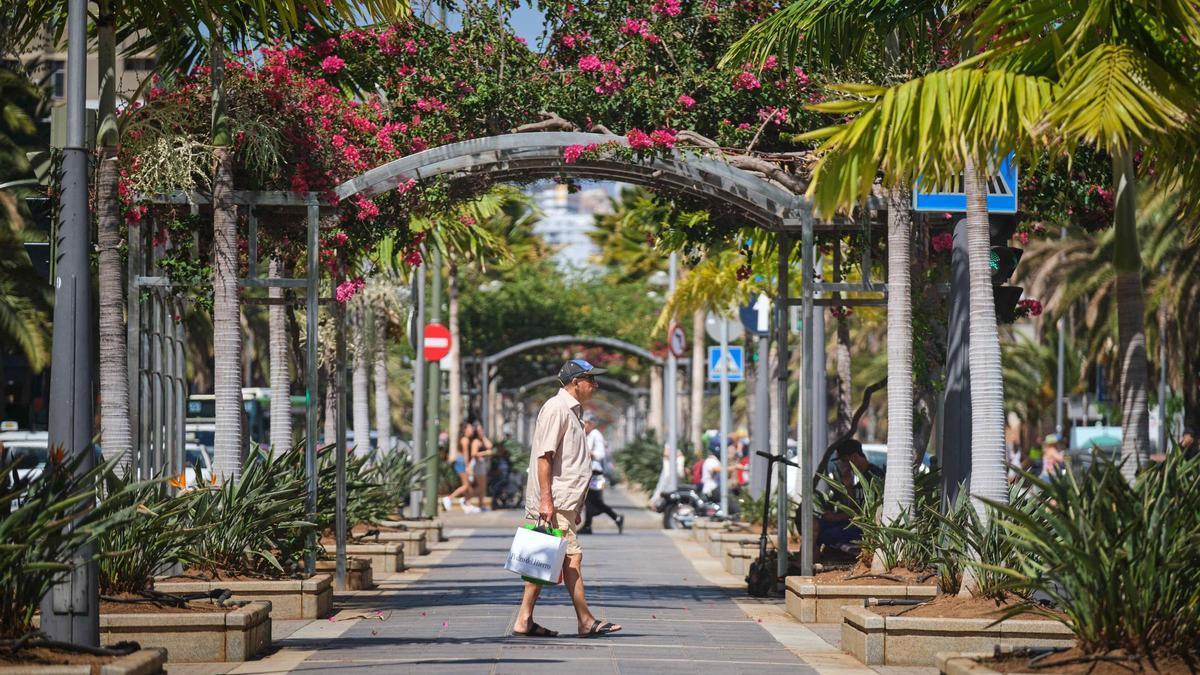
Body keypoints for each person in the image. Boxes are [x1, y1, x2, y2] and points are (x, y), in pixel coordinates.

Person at [512, 359, 621, 639]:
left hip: (564, 502)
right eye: (590, 380)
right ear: (576, 382)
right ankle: (585, 621)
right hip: (554, 501)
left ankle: (524, 620)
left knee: (544, 555)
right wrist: (546, 501)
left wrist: (577, 505)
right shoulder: (557, 409)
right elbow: (544, 457)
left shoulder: (573, 411)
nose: (595, 385)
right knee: (572, 556)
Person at [816, 439, 884, 556]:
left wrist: (837, 517)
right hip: (856, 524)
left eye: (844, 460)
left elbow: (867, 513)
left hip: (867, 529)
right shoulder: (860, 479)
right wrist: (848, 486)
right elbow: (854, 506)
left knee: (828, 533)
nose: (843, 465)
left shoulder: (874, 476)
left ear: (854, 456)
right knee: (820, 525)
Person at [580, 412, 624, 535]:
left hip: (596, 472)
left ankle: (614, 518)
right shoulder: (588, 435)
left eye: (586, 423)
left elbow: (601, 454)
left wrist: (589, 453)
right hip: (590, 472)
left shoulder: (596, 435)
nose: (584, 426)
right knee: (590, 500)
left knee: (594, 500)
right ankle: (590, 525)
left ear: (591, 423)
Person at [443, 422, 477, 513]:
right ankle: (449, 498)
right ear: (465, 430)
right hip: (462, 463)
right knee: (466, 485)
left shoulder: (464, 439)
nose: (472, 430)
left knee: (468, 486)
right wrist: (468, 466)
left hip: (461, 462)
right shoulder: (465, 440)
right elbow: (465, 455)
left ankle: (467, 504)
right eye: (470, 428)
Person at [468, 421, 494, 511]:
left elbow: (490, 446)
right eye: (479, 430)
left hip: (482, 465)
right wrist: (485, 453)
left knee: (483, 486)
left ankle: (481, 504)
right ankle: (466, 499)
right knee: (480, 486)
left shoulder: (481, 440)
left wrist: (483, 437)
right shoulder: (475, 442)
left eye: (482, 430)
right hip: (477, 465)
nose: (481, 431)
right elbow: (473, 453)